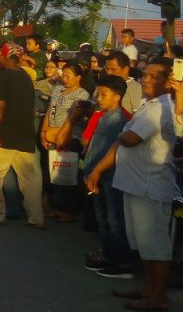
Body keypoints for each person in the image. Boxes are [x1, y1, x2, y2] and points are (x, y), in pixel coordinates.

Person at [84, 59, 177, 311]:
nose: (147, 80)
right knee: (144, 245)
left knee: (156, 246)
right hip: (134, 185)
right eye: (145, 75)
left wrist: (123, 136)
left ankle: (159, 297)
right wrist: (98, 169)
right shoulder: (148, 104)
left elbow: (130, 138)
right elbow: (121, 140)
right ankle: (148, 288)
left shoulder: (164, 107)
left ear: (170, 82)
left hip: (151, 187)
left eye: (155, 77)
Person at [80, 74, 134, 278]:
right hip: (96, 176)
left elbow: (114, 152)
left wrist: (96, 171)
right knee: (103, 219)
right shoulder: (102, 117)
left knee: (114, 220)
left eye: (104, 95)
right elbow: (94, 147)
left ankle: (122, 261)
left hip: (111, 177)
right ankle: (109, 255)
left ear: (117, 96)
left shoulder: (122, 120)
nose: (99, 99)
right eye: (98, 94)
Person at [0, 51, 44, 228]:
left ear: (5, 58)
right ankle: (36, 218)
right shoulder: (25, 76)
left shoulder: (1, 76)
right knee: (30, 178)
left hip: (4, 132)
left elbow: (0, 104)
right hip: (25, 132)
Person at [41, 61, 89, 221]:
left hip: (70, 138)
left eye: (68, 76)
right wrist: (44, 131)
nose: (65, 79)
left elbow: (74, 118)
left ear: (78, 78)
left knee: (67, 174)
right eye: (64, 75)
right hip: (52, 135)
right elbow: (50, 110)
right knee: (53, 173)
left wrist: (60, 134)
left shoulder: (82, 94)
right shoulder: (58, 90)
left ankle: (68, 210)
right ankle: (56, 206)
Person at [104, 51, 142, 116]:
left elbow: (137, 116)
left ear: (126, 69)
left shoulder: (135, 89)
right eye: (107, 69)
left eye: (113, 69)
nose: (109, 73)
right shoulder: (103, 84)